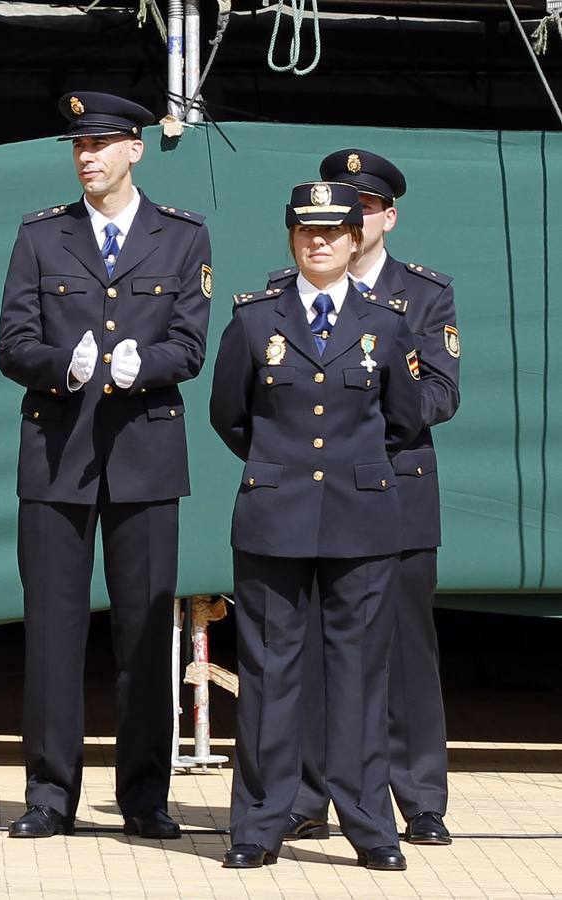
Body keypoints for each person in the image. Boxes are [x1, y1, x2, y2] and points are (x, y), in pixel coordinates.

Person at [0, 91, 209, 840]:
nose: (86, 157)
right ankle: (48, 794)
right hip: (57, 454)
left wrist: (138, 365)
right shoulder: (40, 237)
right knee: (51, 634)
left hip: (144, 453)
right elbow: (12, 343)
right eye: (77, 147)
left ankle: (144, 795)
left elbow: (189, 344)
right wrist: (64, 365)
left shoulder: (181, 237)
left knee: (144, 634)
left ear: (134, 149)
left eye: (101, 144)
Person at [210, 180, 423, 872]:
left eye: (333, 231)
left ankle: (370, 826)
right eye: (306, 231)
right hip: (274, 516)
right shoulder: (252, 319)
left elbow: (404, 417)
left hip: (361, 521)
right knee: (270, 673)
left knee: (360, 673)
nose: (320, 242)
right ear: (291, 237)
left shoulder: (388, 322)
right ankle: (258, 824)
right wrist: (284, 468)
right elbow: (228, 416)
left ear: (355, 237)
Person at [281, 149, 461, 848]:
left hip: (395, 493)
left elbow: (442, 392)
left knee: (403, 654)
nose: (345, 221)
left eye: (360, 206)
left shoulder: (423, 294)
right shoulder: (285, 292)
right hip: (313, 499)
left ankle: (418, 800)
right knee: (309, 652)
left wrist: (365, 423)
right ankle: (305, 796)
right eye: (336, 207)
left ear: (386, 217)